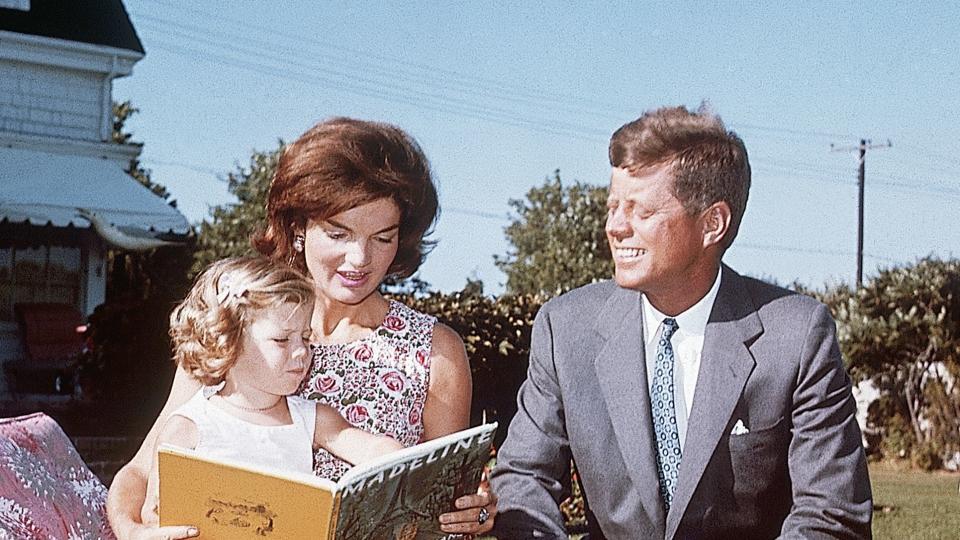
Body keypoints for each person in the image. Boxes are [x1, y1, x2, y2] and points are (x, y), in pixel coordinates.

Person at [490, 105, 872, 539]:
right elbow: (522, 482)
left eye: (641, 211)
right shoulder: (565, 329)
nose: (615, 227)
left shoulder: (798, 336)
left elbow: (831, 515)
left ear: (713, 223)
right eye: (613, 206)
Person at [107, 117, 496, 539]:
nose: (359, 259)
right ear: (298, 228)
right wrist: (130, 531)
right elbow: (142, 472)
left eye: (382, 238)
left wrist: (471, 510)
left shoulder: (435, 352)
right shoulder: (234, 330)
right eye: (338, 233)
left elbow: (444, 504)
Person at [141, 256, 403, 520]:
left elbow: (372, 449)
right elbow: (154, 515)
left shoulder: (312, 418)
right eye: (281, 339)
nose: (301, 351)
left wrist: (425, 470)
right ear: (228, 341)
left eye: (305, 337)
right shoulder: (189, 427)